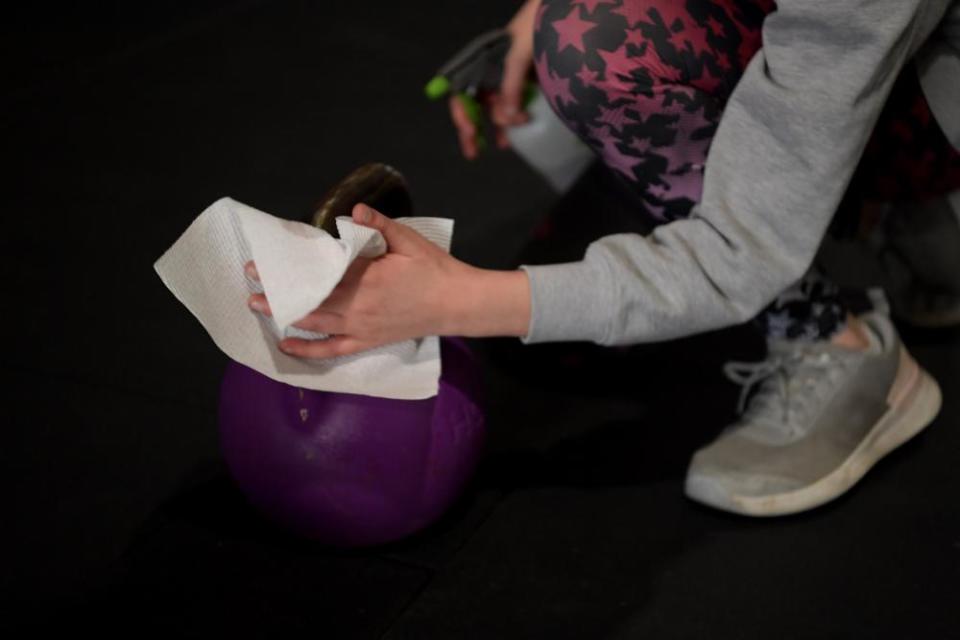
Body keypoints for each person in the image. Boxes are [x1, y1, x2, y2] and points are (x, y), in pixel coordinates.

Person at [246, 0, 960, 516]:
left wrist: (462, 300)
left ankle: (835, 336)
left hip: (894, 61)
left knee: (598, 45)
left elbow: (738, 256)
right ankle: (886, 205)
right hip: (846, 40)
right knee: (584, 30)